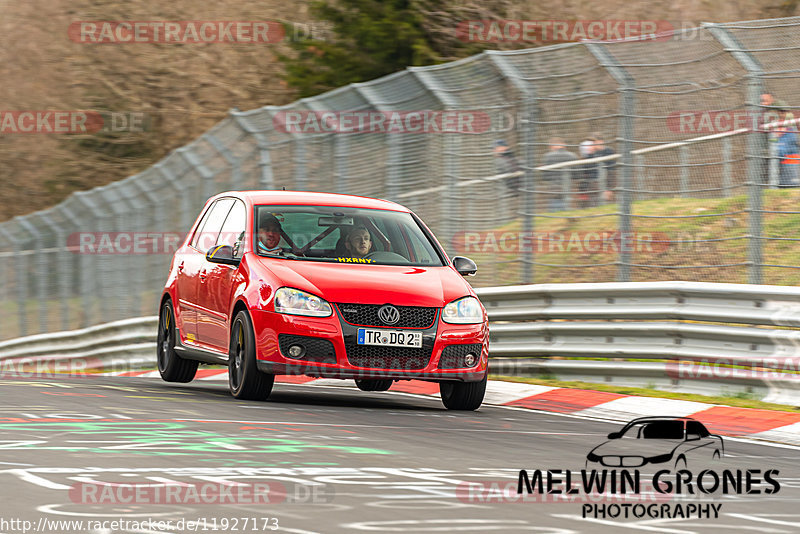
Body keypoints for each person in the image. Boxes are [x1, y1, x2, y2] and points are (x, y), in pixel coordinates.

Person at [541, 137, 577, 211]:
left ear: (551, 146)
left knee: (554, 211)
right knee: (567, 208)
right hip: (568, 187)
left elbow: (545, 176)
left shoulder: (547, 157)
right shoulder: (572, 155)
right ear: (563, 145)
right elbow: (577, 174)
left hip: (554, 188)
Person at [589, 132, 617, 202]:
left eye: (594, 141)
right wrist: (589, 155)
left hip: (605, 186)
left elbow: (612, 171)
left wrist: (609, 189)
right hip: (594, 186)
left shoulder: (608, 151)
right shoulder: (592, 153)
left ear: (601, 141)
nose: (592, 144)